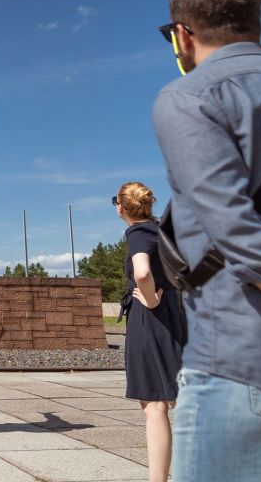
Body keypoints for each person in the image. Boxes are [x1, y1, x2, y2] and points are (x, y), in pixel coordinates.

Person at [151, 0, 261, 481]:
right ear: (256, 22)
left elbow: (245, 242)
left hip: (239, 358)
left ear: (183, 34)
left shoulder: (190, 97)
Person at [112, 182, 185, 482]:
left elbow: (142, 271)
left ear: (121, 207)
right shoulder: (162, 232)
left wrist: (152, 299)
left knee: (155, 404)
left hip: (150, 316)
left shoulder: (138, 232)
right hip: (173, 313)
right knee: (178, 396)